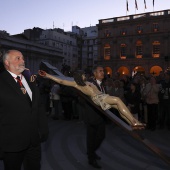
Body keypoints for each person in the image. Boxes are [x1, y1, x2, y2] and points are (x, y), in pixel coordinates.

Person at [39, 70, 145, 128]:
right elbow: (62, 81)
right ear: (80, 76)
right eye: (83, 75)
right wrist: (48, 75)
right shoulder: (76, 84)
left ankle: (132, 122)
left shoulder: (88, 81)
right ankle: (133, 121)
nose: (85, 75)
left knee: (117, 106)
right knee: (117, 100)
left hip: (101, 96)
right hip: (98, 98)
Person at [0, 50, 49, 170]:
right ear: (7, 62)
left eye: (22, 58)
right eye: (18, 58)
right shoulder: (1, 81)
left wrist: (43, 128)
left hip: (33, 141)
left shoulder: (29, 80)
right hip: (12, 143)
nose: (23, 61)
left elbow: (38, 106)